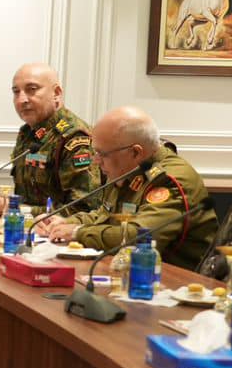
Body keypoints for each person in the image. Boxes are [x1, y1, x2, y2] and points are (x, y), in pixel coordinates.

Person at [42, 105, 217, 269]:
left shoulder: (168, 180)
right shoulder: (127, 169)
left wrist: (77, 232)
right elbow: (106, 215)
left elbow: (139, 237)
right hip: (132, 270)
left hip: (177, 279)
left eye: (102, 154)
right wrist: (66, 222)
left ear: (135, 152)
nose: (96, 161)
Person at [0, 63, 100, 218]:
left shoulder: (74, 137)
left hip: (60, 231)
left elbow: (83, 207)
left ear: (56, 93)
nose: (22, 99)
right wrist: (7, 204)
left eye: (32, 89)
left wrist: (19, 210)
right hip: (30, 228)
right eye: (16, 92)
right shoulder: (27, 133)